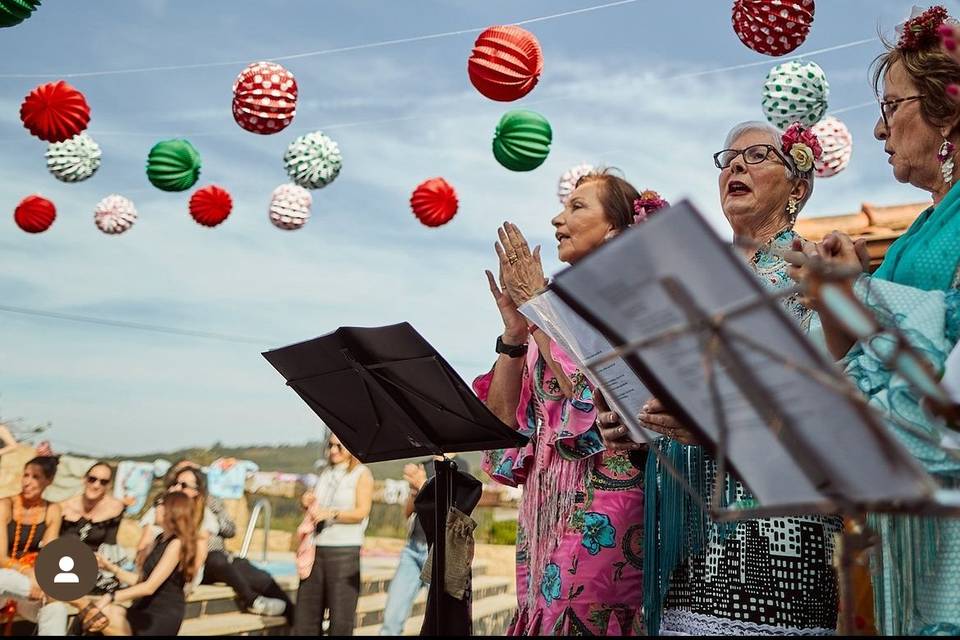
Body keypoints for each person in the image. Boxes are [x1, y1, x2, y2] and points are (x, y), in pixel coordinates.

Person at [600, 122, 842, 636]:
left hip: (773, 555)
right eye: (728, 158)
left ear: (797, 187)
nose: (736, 165)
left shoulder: (814, 275)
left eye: (757, 155)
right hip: (681, 553)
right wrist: (637, 426)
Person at [785, 7, 960, 634]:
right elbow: (861, 363)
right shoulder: (919, 229)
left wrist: (859, 297)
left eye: (892, 106)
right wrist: (840, 302)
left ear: (947, 108)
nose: (881, 129)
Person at [476, 171, 658, 635]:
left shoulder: (634, 303)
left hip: (606, 496)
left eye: (578, 207)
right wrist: (515, 335)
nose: (558, 218)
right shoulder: (550, 309)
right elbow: (500, 423)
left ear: (616, 230)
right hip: (544, 503)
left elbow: (590, 388)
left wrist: (538, 310)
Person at [156, 460, 291, 619]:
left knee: (261, 577)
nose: (177, 487)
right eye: (176, 483)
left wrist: (211, 521)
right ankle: (251, 599)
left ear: (198, 489)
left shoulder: (210, 504)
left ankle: (297, 621)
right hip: (200, 563)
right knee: (217, 558)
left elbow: (230, 529)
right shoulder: (166, 507)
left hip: (220, 561)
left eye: (184, 485)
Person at [74, 491, 199, 636]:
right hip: (143, 609)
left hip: (162, 614)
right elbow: (140, 580)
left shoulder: (177, 544)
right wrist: (111, 567)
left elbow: (149, 587)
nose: (155, 509)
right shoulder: (159, 539)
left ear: (171, 510)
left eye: (159, 504)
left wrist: (110, 596)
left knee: (103, 614)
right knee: (96, 613)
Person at [379, 454, 470, 636]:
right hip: (412, 549)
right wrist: (415, 490)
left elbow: (453, 511)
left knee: (439, 621)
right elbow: (408, 512)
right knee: (391, 617)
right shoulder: (425, 465)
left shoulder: (460, 466)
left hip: (440, 551)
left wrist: (423, 484)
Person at [293, 435, 373, 636]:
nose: (333, 450)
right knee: (306, 615)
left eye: (339, 446)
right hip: (317, 548)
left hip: (344, 551)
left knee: (340, 618)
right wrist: (306, 502)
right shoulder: (325, 472)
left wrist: (332, 513)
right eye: (330, 445)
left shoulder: (361, 474)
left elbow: (362, 511)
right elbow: (316, 508)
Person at [0, 456, 68, 635]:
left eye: (35, 477)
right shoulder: (5, 505)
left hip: (28, 587)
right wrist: (29, 573)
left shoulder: (53, 510)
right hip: (6, 580)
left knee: (57, 609)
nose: (27, 482)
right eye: (26, 475)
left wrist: (42, 578)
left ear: (49, 480)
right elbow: (0, 558)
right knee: (3, 578)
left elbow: (49, 556)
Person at [60, 461, 126, 594]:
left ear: (109, 486)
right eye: (92, 479)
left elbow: (110, 546)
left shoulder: (114, 508)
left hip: (96, 567)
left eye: (103, 482)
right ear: (84, 480)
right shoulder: (64, 507)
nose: (96, 485)